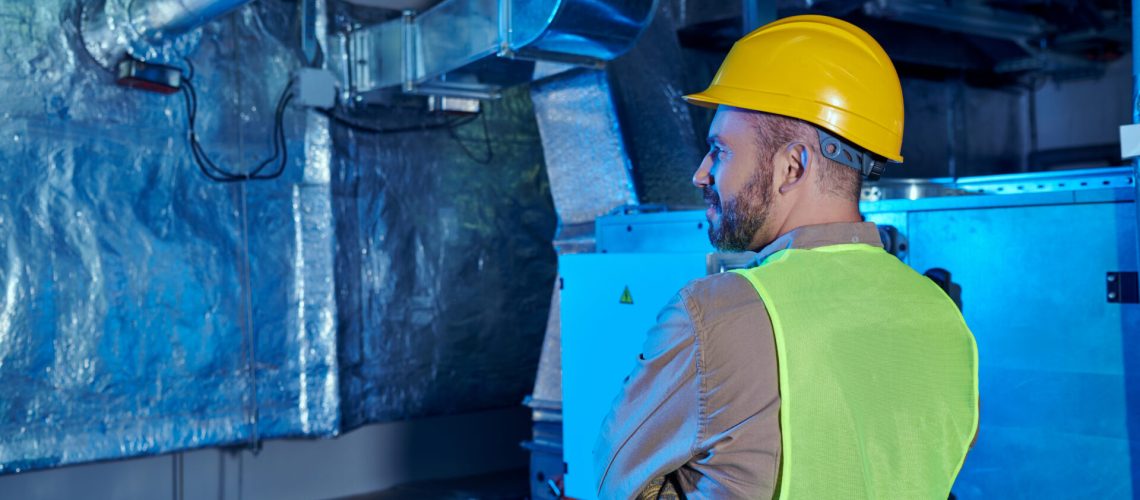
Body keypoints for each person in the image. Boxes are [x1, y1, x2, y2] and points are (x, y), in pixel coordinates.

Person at [592, 15, 979, 499]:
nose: (701, 173)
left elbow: (608, 486)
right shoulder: (943, 316)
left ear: (792, 166)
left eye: (719, 151)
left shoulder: (717, 315)